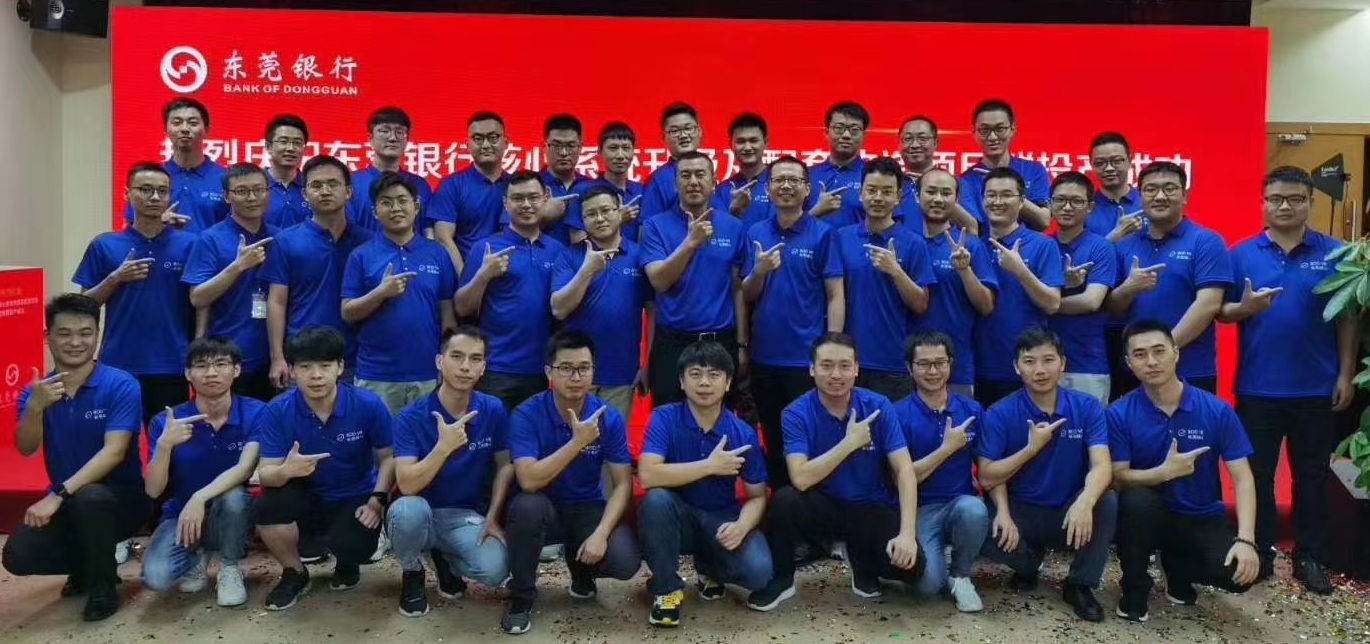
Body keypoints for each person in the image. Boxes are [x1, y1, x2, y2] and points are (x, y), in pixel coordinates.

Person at [1219, 165, 1355, 593]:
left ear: (1310, 202)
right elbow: (1221, 312)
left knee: (1312, 477)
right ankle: (1258, 551)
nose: (1285, 206)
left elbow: (1348, 318)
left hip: (1317, 388)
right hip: (1258, 387)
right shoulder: (1241, 253)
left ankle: (1309, 556)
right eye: (1275, 199)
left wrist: (1346, 373)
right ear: (1263, 204)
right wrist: (1244, 309)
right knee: (1257, 475)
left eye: (1295, 199)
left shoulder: (1336, 254)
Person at [746, 333, 924, 612]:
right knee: (784, 501)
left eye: (844, 366)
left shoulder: (878, 406)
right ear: (812, 369)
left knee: (912, 570)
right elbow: (800, 478)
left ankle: (861, 560)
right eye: (827, 365)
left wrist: (907, 534)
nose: (836, 374)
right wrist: (849, 443)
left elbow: (904, 470)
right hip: (824, 507)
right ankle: (782, 580)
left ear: (856, 369)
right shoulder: (796, 413)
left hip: (871, 508)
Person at [1, 294, 150, 622]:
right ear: (48, 337)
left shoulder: (120, 384)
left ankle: (102, 587)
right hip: (68, 500)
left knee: (91, 497)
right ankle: (87, 564)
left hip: (120, 499)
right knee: (18, 556)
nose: (75, 342)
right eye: (64, 333)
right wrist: (35, 407)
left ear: (97, 335)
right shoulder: (36, 391)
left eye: (85, 333)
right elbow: (26, 447)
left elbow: (114, 452)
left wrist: (57, 494)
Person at [1109, 320, 1260, 622]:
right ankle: (1135, 590)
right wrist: (1164, 472)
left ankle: (1178, 569)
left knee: (1240, 574)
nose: (1151, 361)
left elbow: (1243, 478)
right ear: (1128, 363)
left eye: (1159, 351)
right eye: (1140, 355)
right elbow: (1117, 478)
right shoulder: (1119, 413)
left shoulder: (1216, 410)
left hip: (1200, 515)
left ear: (1176, 353)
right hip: (1151, 515)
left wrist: (1246, 540)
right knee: (1135, 501)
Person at [502, 331, 641, 634]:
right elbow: (528, 480)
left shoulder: (608, 417)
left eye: (584, 368)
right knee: (526, 507)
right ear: (549, 372)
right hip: (542, 507)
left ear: (593, 371)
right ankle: (521, 596)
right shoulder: (527, 414)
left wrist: (601, 534)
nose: (576, 377)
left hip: (586, 506)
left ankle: (581, 572)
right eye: (566, 368)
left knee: (625, 561)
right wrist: (577, 442)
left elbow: (622, 484)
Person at [976, 327, 1116, 622]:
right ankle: (1027, 566)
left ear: (1062, 363)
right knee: (977, 520)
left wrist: (1085, 502)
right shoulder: (1000, 412)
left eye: (1048, 360)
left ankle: (1079, 584)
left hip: (1068, 510)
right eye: (1029, 361)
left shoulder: (1087, 407)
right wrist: (1031, 449)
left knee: (1106, 500)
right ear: (1017, 367)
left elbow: (1102, 465)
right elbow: (987, 476)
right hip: (1022, 511)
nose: (1039, 370)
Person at [253, 327, 394, 610]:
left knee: (355, 544)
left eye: (325, 366)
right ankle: (295, 572)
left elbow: (389, 457)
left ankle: (347, 561)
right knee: (267, 506)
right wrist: (286, 471)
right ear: (292, 370)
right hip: (306, 496)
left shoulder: (368, 404)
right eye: (306, 367)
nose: (316, 375)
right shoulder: (277, 410)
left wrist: (377, 500)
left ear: (340, 367)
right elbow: (265, 474)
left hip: (354, 495)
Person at [638, 341, 771, 628]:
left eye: (714, 375)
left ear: (728, 383)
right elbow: (647, 475)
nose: (705, 383)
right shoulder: (664, 418)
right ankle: (666, 589)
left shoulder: (742, 432)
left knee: (760, 572)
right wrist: (710, 466)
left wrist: (742, 526)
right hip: (676, 519)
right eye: (695, 374)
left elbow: (757, 496)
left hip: (719, 520)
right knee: (656, 500)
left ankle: (709, 569)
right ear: (681, 381)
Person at [389, 326, 513, 618]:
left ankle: (444, 559)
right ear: (439, 361)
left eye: (475, 359)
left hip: (464, 515)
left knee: (495, 571)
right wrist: (443, 448)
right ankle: (412, 571)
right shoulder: (411, 417)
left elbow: (506, 465)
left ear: (483, 367)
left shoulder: (492, 409)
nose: (465, 366)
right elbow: (407, 485)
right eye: (456, 356)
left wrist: (494, 516)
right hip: (420, 510)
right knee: (407, 511)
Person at [741, 156, 844, 488]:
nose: (786, 186)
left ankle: (810, 511)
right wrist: (759, 271)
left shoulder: (823, 234)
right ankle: (780, 507)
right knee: (773, 438)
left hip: (806, 359)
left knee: (810, 440)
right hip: (765, 356)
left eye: (794, 180)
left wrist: (832, 351)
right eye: (779, 180)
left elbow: (835, 295)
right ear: (768, 188)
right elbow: (747, 293)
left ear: (807, 189)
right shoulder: (756, 232)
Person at [141, 337, 264, 607]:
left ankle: (230, 567)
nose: (211, 373)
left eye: (221, 364)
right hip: (182, 514)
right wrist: (164, 445)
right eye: (201, 366)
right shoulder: (166, 421)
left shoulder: (256, 412)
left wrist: (200, 497)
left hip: (233, 513)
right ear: (188, 373)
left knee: (234, 496)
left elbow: (245, 468)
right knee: (156, 577)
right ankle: (198, 555)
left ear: (236, 369)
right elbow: (153, 490)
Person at [76, 161, 197, 425]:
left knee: (169, 443)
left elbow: (201, 303)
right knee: (117, 443)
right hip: (118, 363)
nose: (154, 197)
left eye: (162, 191)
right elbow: (82, 306)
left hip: (172, 364)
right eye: (145, 189)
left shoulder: (189, 244)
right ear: (127, 193)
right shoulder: (105, 244)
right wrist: (115, 278)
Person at [1106, 161, 1233, 395]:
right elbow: (1112, 308)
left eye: (1169, 188)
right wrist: (1128, 289)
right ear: (1140, 196)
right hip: (1136, 371)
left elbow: (1208, 304)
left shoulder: (1205, 241)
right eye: (1151, 189)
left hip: (1192, 369)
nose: (1160, 196)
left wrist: (1162, 352)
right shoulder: (1125, 243)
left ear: (1184, 196)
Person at [342, 171, 458, 414]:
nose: (395, 208)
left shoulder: (437, 253)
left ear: (416, 206)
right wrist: (381, 293)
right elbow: (348, 313)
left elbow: (448, 318)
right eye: (386, 202)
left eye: (402, 200)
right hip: (376, 374)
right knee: (378, 438)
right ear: (375, 212)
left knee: (425, 437)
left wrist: (445, 365)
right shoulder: (361, 255)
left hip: (427, 373)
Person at [640, 151, 747, 405]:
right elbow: (659, 282)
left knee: (719, 420)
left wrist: (742, 345)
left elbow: (738, 289)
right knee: (668, 419)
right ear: (675, 183)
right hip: (672, 342)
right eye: (685, 175)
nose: (693, 182)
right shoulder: (655, 226)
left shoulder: (733, 227)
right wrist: (690, 243)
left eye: (700, 174)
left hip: (720, 341)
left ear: (714, 182)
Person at [457, 170, 567, 412]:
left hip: (542, 369)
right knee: (492, 435)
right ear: (505, 203)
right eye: (517, 198)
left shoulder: (558, 250)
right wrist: (483, 275)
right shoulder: (486, 248)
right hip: (495, 367)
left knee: (532, 435)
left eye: (533, 197)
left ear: (546, 198)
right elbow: (462, 308)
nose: (526, 204)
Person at [895, 331, 989, 613]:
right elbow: (901, 477)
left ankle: (961, 575)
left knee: (974, 510)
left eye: (940, 363)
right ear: (909, 368)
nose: (933, 371)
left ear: (950, 364)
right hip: (920, 509)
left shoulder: (971, 410)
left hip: (961, 501)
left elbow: (988, 466)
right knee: (928, 587)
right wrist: (946, 449)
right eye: (923, 364)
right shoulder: (897, 414)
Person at [263, 155, 372, 388]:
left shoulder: (368, 242)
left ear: (349, 192)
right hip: (303, 357)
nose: (325, 191)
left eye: (333, 184)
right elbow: (277, 302)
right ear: (304, 194)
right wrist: (277, 357)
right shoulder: (286, 241)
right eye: (316, 185)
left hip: (357, 358)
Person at [835, 157, 936, 402]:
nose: (878, 197)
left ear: (898, 197)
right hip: (846, 361)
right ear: (861, 193)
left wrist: (896, 271)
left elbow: (921, 304)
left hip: (893, 362)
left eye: (887, 191)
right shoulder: (840, 238)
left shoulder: (913, 243)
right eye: (871, 190)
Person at [551, 185, 653, 420]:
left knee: (612, 438)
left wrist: (648, 363)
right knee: (571, 438)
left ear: (619, 211)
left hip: (622, 373)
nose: (599, 218)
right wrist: (587, 271)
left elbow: (653, 312)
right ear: (582, 220)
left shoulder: (639, 255)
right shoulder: (569, 256)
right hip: (573, 373)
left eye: (606, 211)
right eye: (591, 214)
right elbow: (559, 309)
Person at [183, 162, 280, 402]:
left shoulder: (280, 237)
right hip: (228, 356)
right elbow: (197, 297)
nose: (252, 197)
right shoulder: (210, 239)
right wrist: (237, 267)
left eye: (258, 190)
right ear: (226, 196)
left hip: (276, 356)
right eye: (242, 191)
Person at [973, 168, 1063, 407]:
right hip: (979, 367)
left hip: (1030, 367)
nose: (997, 201)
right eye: (991, 195)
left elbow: (1052, 304)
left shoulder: (1043, 245)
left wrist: (1021, 270)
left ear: (1022, 201)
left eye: (1006, 195)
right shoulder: (973, 246)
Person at [915, 168, 997, 399]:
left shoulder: (972, 246)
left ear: (957, 199)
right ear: (917, 195)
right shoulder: (905, 242)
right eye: (931, 191)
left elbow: (986, 306)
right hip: (906, 366)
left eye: (945, 193)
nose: (938, 199)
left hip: (956, 366)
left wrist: (964, 270)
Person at [1047, 172, 1117, 404]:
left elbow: (1091, 301)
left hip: (1087, 364)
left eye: (1076, 201)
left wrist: (1046, 303)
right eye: (1060, 200)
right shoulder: (1041, 245)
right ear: (1049, 204)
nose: (1067, 207)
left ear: (1090, 207)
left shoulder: (1101, 247)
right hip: (1042, 362)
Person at [122, 97, 228, 233]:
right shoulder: (150, 178)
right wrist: (158, 223)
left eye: (193, 123)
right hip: (159, 248)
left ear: (207, 129)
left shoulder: (225, 178)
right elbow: (128, 231)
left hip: (211, 248)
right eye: (177, 123)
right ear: (165, 129)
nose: (184, 129)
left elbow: (238, 228)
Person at [430, 111, 512, 272]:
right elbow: (443, 238)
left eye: (493, 137)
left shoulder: (516, 185)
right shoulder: (452, 185)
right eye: (478, 138)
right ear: (467, 145)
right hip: (467, 277)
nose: (486, 145)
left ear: (506, 142)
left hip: (511, 280)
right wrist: (466, 279)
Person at [957, 99, 1051, 233]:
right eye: (984, 130)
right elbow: (974, 230)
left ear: (1012, 129)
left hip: (1027, 246)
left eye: (1000, 129)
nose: (992, 137)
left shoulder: (1034, 170)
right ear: (974, 132)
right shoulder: (965, 181)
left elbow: (1043, 221)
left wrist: (1009, 189)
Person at [346, 106, 433, 236]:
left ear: (407, 139)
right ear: (370, 138)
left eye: (399, 132)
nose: (392, 138)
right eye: (384, 131)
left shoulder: (420, 185)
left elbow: (428, 232)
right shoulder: (351, 183)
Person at [896, 116, 979, 234]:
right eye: (908, 138)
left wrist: (940, 192)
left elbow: (972, 227)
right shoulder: (893, 185)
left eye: (922, 138)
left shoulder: (956, 183)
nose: (914, 145)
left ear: (935, 143)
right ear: (899, 144)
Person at [568, 121, 645, 243]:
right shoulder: (582, 190)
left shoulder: (642, 191)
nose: (620, 155)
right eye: (613, 148)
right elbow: (577, 241)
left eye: (626, 148)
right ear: (599, 151)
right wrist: (617, 220)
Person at [527, 113, 591, 245]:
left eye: (571, 146)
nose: (563, 153)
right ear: (544, 146)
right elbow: (512, 235)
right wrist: (544, 217)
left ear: (580, 147)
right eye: (556, 146)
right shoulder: (529, 186)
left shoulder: (591, 186)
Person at [807, 101, 872, 229]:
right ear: (826, 132)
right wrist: (816, 211)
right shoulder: (807, 175)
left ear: (864, 135)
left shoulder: (873, 175)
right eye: (839, 128)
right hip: (814, 242)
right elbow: (790, 224)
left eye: (854, 130)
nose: (846, 135)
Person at [713, 112, 775, 231]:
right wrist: (733, 212)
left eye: (753, 141)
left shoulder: (780, 183)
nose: (747, 147)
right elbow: (718, 232)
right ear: (730, 144)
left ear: (766, 142)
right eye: (741, 141)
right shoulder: (721, 190)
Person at [1085, 132, 1145, 242]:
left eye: (1116, 161)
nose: (1109, 168)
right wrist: (1113, 237)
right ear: (1091, 165)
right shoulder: (1085, 208)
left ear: (1130, 161)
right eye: (1100, 163)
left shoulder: (1146, 202)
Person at [262, 113, 313, 229]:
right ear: (268, 146)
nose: (290, 148)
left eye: (297, 143)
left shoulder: (313, 187)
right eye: (283, 141)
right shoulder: (253, 187)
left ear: (304, 149)